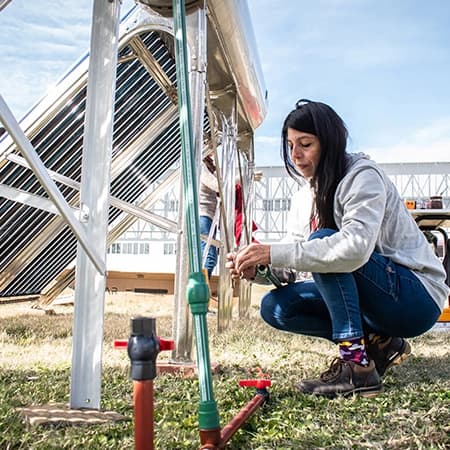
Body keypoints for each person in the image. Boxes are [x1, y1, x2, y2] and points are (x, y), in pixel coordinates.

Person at [226, 99, 449, 398]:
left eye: (305, 144)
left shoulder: (362, 176)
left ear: (330, 143)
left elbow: (353, 250)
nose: (296, 155)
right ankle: (380, 344)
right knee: (276, 308)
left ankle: (357, 367)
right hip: (376, 297)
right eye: (291, 145)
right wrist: (261, 270)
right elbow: (296, 267)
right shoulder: (303, 196)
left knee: (323, 242)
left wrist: (272, 250)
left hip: (414, 298)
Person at [199, 154, 219, 280]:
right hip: (203, 216)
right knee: (209, 257)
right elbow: (216, 185)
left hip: (209, 217)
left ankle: (200, 293)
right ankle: (201, 294)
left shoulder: (209, 166)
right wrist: (240, 179)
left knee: (207, 256)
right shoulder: (200, 166)